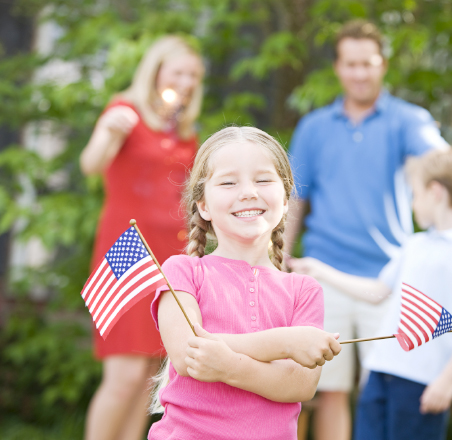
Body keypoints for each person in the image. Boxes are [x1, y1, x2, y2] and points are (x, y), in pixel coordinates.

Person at [285, 20, 452, 440]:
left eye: (368, 63)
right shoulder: (314, 128)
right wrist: (281, 258)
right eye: (351, 64)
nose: (360, 73)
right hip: (327, 271)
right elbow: (295, 201)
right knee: (330, 392)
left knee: (380, 388)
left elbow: (441, 168)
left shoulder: (408, 121)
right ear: (338, 68)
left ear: (383, 65)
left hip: (390, 278)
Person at [147, 126, 342, 440]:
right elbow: (188, 355)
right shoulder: (183, 271)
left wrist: (227, 364)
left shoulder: (304, 291)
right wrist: (287, 343)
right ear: (203, 205)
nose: (249, 191)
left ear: (286, 197)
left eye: (263, 179)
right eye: (228, 182)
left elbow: (300, 385)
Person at [290, 147, 452, 440]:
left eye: (415, 195)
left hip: (424, 382)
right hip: (380, 373)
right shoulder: (415, 245)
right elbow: (377, 291)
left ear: (435, 192)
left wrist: (448, 380)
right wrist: (321, 271)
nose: (413, 204)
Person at [80, 36, 204, 440]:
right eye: (178, 72)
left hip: (170, 257)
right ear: (156, 71)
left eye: (193, 75)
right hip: (126, 252)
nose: (185, 82)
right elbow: (91, 164)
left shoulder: (187, 132)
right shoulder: (124, 112)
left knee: (152, 376)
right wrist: (106, 132)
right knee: (124, 374)